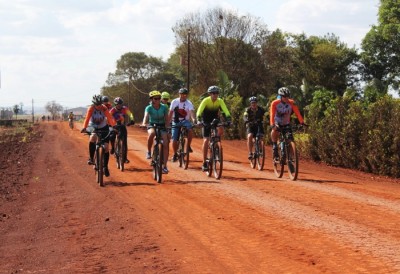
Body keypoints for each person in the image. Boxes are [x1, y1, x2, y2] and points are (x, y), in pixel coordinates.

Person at [196, 85, 231, 171]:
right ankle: (204, 162)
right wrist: (199, 120)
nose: (215, 95)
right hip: (206, 121)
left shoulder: (220, 101)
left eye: (217, 93)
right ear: (210, 94)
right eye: (213, 93)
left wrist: (229, 119)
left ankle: (217, 144)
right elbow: (199, 112)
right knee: (206, 140)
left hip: (215, 120)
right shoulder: (206, 100)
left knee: (221, 127)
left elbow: (225, 111)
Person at [81, 94, 116, 177]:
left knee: (106, 147)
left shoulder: (104, 108)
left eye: (100, 104)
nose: (99, 106)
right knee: (93, 137)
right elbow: (87, 118)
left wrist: (113, 127)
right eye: (97, 104)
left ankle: (105, 167)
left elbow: (109, 118)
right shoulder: (91, 108)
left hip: (103, 126)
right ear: (94, 104)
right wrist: (84, 128)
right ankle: (91, 158)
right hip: (93, 126)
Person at [270, 87, 304, 160]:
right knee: (274, 130)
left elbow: (297, 113)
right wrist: (272, 124)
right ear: (280, 96)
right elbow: (272, 114)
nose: (286, 98)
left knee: (290, 140)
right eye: (284, 96)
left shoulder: (292, 103)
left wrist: (302, 122)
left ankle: (291, 158)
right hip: (277, 122)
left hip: (286, 123)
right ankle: (275, 146)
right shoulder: (275, 103)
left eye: (287, 96)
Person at [141, 91, 170, 174]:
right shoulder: (149, 108)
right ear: (152, 99)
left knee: (165, 143)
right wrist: (143, 123)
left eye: (159, 98)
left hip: (162, 125)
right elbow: (146, 116)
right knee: (152, 133)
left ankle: (165, 166)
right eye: (155, 98)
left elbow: (167, 118)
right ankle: (149, 152)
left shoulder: (164, 107)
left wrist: (167, 126)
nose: (157, 100)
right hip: (152, 125)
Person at [168, 88, 196, 162]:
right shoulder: (174, 102)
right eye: (182, 94)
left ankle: (188, 146)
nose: (183, 96)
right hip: (175, 121)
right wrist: (167, 122)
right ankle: (174, 154)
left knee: (190, 129)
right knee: (174, 139)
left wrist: (194, 120)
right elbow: (170, 113)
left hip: (185, 121)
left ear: (187, 95)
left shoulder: (189, 103)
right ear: (179, 94)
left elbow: (192, 112)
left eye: (185, 94)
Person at [109, 97, 135, 163]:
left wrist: (132, 119)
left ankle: (125, 158)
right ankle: (113, 148)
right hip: (115, 126)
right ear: (115, 104)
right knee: (112, 137)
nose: (119, 105)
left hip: (122, 126)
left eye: (120, 104)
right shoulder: (113, 110)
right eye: (117, 104)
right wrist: (109, 123)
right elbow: (108, 116)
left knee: (124, 142)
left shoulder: (124, 108)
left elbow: (130, 114)